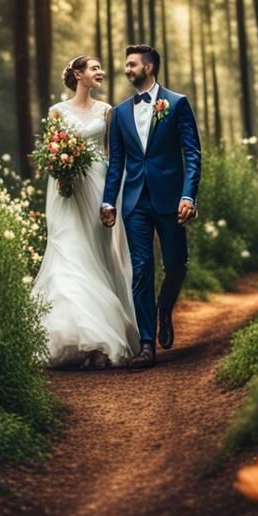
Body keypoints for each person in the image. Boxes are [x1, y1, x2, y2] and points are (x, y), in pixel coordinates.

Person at [32, 55, 139, 368]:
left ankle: (99, 343)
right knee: (67, 249)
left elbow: (109, 152)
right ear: (78, 74)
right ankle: (73, 338)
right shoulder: (56, 111)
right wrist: (59, 164)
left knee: (98, 253)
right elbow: (48, 149)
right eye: (94, 68)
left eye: (100, 69)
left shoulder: (106, 111)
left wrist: (112, 194)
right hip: (64, 188)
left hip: (96, 184)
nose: (100, 72)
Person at [101, 44, 202, 369]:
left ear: (149, 67)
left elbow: (192, 154)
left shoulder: (177, 104)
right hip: (135, 202)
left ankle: (164, 308)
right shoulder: (118, 113)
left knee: (176, 264)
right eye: (126, 65)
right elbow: (117, 162)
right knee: (142, 268)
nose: (126, 69)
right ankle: (147, 344)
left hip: (171, 200)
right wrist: (108, 200)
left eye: (132, 65)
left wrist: (188, 196)